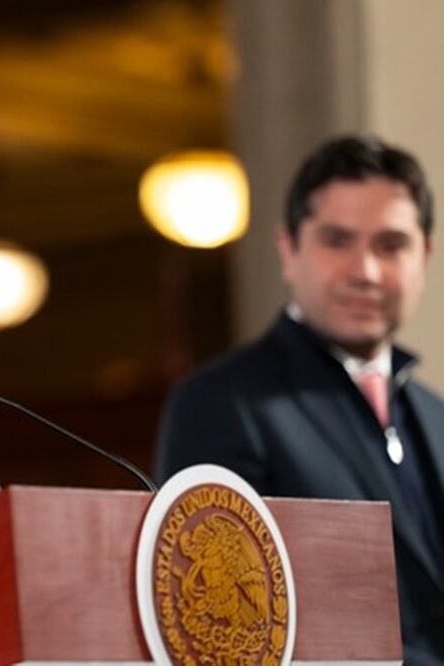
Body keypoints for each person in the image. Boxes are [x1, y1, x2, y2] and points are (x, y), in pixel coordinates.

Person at [155, 135, 444, 662]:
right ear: (289, 250)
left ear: (424, 256)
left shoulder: (435, 414)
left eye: (391, 244)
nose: (366, 271)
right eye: (338, 241)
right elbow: (222, 625)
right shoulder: (222, 402)